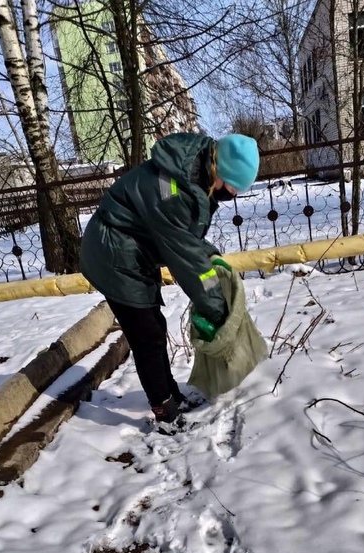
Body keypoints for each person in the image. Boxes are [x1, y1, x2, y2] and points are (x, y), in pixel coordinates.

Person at [79, 132, 260, 424]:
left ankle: (171, 395)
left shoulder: (190, 176)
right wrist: (217, 308)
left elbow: (184, 239)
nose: (235, 194)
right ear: (220, 171)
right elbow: (186, 258)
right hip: (112, 256)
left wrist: (211, 256)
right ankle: (165, 411)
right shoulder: (173, 191)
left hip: (131, 251)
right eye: (234, 186)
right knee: (146, 335)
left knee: (154, 326)